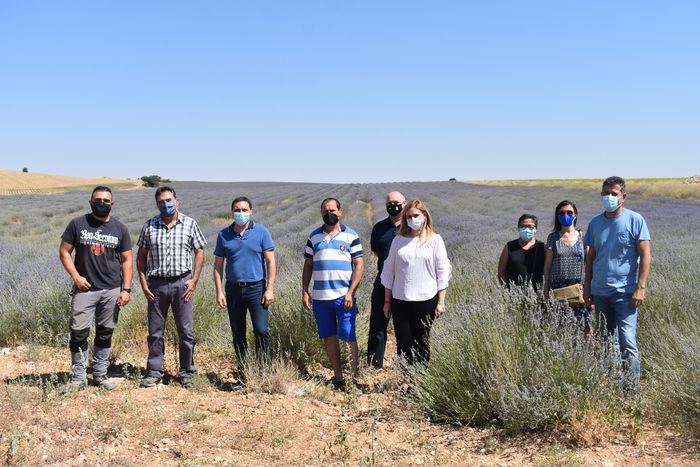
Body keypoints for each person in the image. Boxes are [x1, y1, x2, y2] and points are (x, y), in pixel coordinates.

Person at [58, 186, 133, 393]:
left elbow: (127, 260)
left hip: (111, 290)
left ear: (112, 204)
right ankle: (78, 378)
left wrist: (126, 289)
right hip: (85, 290)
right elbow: (64, 252)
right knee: (78, 333)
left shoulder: (120, 228)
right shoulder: (77, 224)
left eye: (106, 200)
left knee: (104, 333)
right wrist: (76, 277)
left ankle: (100, 375)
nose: (102, 203)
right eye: (98, 199)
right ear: (90, 202)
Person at [583, 176, 651, 392]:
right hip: (600, 292)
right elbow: (590, 258)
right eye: (605, 193)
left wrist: (640, 288)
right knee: (605, 342)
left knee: (627, 341)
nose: (609, 197)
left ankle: (631, 392)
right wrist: (587, 288)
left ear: (623, 196)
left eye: (613, 193)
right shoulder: (595, 223)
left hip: (626, 292)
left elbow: (646, 256)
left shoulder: (635, 220)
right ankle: (611, 387)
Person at [137, 186, 207, 388]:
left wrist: (194, 280)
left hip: (181, 284)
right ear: (157, 204)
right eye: (161, 201)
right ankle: (154, 371)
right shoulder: (149, 226)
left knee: (186, 331)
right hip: (156, 285)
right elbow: (141, 256)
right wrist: (143, 282)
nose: (165, 204)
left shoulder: (190, 224)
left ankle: (186, 372)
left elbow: (200, 251)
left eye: (169, 200)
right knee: (155, 331)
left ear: (177, 201)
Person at [380, 199, 451, 366]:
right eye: (409, 216)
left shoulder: (435, 240)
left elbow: (443, 272)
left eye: (416, 215)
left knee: (422, 342)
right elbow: (389, 271)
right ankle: (406, 380)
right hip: (400, 299)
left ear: (424, 216)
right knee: (403, 343)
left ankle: (419, 382)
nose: (413, 219)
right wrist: (387, 301)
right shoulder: (398, 240)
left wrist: (441, 302)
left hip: (426, 300)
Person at [302, 198, 364, 387]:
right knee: (328, 336)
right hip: (320, 298)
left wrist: (350, 292)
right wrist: (305, 291)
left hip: (343, 297)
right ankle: (338, 376)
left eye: (333, 210)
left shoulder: (351, 236)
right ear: (321, 213)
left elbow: (359, 265)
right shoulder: (314, 237)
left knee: (348, 336)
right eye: (325, 210)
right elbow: (308, 265)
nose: (329, 213)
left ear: (340, 212)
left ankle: (353, 378)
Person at [213, 196, 276, 367]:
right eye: (237, 210)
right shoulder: (223, 235)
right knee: (238, 334)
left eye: (244, 210)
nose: (241, 213)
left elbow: (270, 262)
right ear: (232, 212)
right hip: (233, 290)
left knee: (261, 330)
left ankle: (262, 371)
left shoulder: (262, 232)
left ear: (250, 212)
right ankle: (243, 373)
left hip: (257, 289)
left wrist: (269, 289)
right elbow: (218, 266)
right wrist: (219, 291)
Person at [366, 191, 406, 369]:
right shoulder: (379, 228)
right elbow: (376, 251)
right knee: (377, 323)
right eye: (389, 203)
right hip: (382, 281)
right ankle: (374, 364)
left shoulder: (411, 227)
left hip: (405, 285)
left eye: (396, 202)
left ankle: (405, 366)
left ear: (404, 204)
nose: (393, 206)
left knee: (404, 327)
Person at [542, 200, 591, 333]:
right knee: (561, 328)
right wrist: (546, 290)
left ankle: (586, 354)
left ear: (575, 215)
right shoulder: (553, 238)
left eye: (569, 212)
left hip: (579, 289)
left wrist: (590, 288)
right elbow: (547, 266)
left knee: (585, 328)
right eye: (562, 213)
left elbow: (589, 264)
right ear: (557, 216)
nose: (565, 215)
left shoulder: (583, 236)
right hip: (558, 289)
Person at [497, 214, 545, 292]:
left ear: (535, 229)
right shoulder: (510, 246)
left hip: (538, 294)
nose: (526, 229)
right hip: (514, 293)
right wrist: (505, 290)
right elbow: (501, 270)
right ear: (518, 228)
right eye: (523, 226)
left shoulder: (542, 247)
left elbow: (548, 270)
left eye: (530, 227)